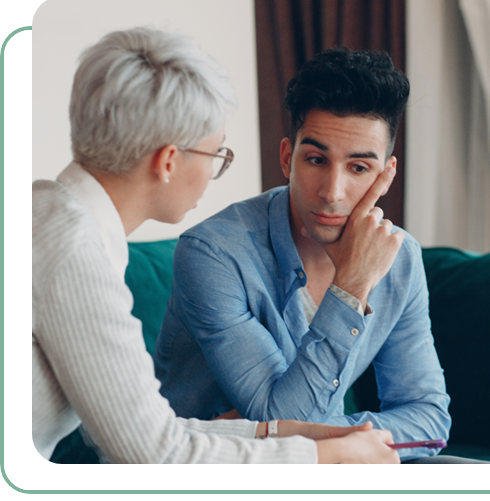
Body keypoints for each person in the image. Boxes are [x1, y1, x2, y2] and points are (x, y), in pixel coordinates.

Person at [32, 28, 402, 465]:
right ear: (169, 161)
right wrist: (323, 457)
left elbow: (143, 428)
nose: (214, 173)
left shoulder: (49, 214)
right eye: (217, 154)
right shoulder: (74, 251)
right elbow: (151, 453)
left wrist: (286, 435)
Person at [154, 47, 490, 464]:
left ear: (386, 174)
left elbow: (428, 417)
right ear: (286, 158)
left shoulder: (400, 258)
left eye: (358, 168)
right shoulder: (212, 254)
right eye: (316, 160)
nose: (332, 192)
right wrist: (351, 287)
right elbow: (279, 423)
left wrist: (341, 439)